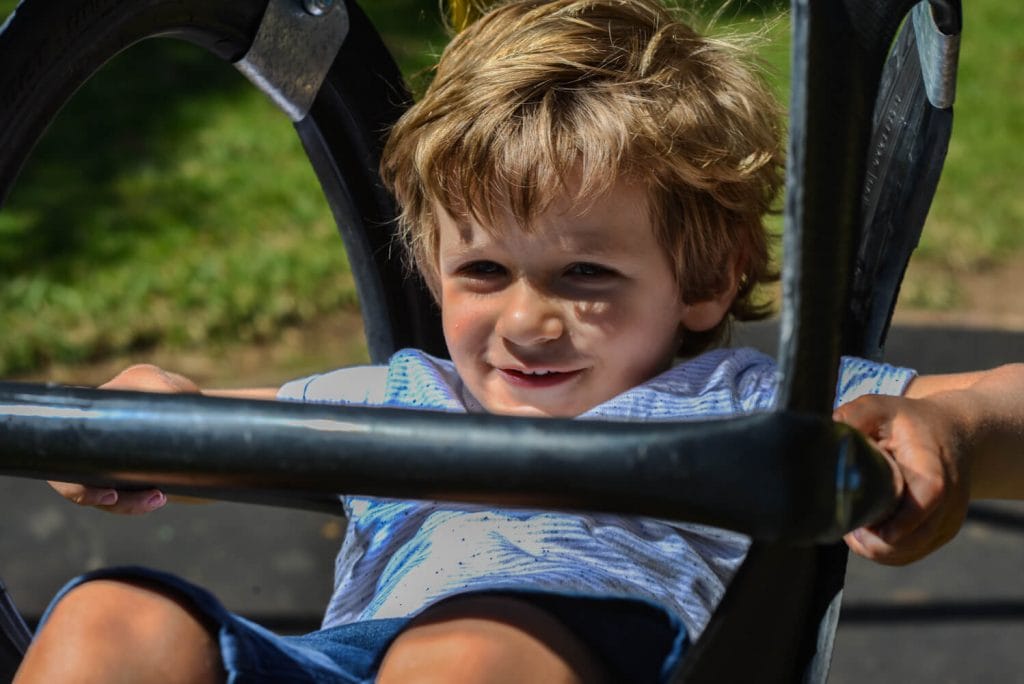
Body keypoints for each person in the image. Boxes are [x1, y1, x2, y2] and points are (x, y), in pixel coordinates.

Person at [17, 0, 1024, 681]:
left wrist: (956, 428)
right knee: (115, 618)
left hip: (595, 655)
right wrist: (141, 419)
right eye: (483, 273)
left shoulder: (746, 401)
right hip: (360, 658)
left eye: (586, 277)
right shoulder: (411, 399)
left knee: (467, 655)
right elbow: (212, 433)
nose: (527, 320)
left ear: (708, 279)